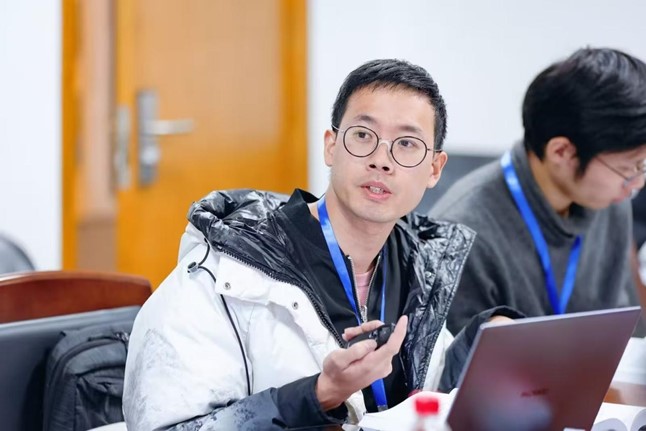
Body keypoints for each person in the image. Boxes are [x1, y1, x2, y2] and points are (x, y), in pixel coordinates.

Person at [122, 59, 518, 430]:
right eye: (363, 135)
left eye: (407, 144)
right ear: (331, 146)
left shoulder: (419, 267)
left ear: (434, 169)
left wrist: (484, 341)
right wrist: (318, 394)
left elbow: (425, 399)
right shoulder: (221, 273)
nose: (382, 160)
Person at [430, 48, 646, 335]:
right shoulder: (462, 232)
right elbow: (452, 357)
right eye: (629, 169)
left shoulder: (610, 202)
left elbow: (621, 327)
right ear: (562, 152)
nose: (637, 184)